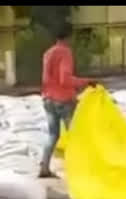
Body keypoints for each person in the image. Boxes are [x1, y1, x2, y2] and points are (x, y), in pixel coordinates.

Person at [39, 23, 95, 178]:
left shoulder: (48, 53)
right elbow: (65, 79)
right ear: (69, 36)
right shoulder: (65, 52)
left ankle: (44, 167)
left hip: (48, 99)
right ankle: (81, 169)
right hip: (63, 101)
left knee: (52, 135)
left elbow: (45, 78)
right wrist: (86, 82)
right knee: (75, 134)